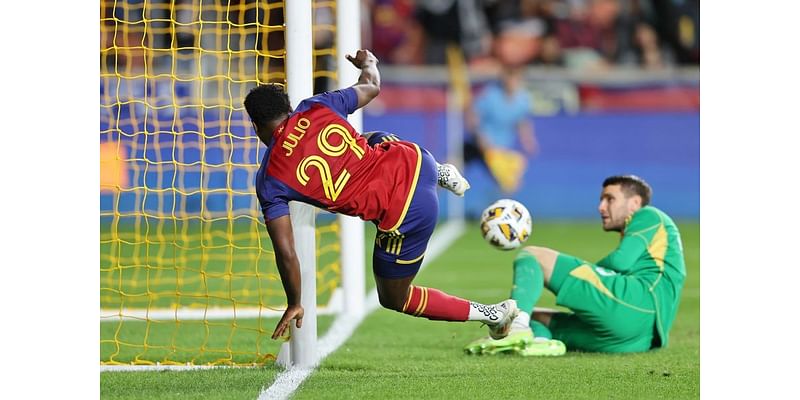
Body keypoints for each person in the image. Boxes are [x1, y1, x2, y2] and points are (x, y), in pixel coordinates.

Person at [244, 49, 519, 341]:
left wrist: (295, 302)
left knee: (393, 297)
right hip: (415, 158)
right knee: (366, 140)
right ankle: (439, 171)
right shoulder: (315, 105)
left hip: (405, 211)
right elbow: (371, 86)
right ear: (288, 109)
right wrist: (370, 63)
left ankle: (492, 314)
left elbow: (286, 252)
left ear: (256, 126)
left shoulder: (269, 179)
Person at [465, 175, 686, 356]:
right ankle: (540, 342)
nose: (601, 207)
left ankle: (516, 329)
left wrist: (582, 279)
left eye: (610, 199)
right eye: (601, 200)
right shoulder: (654, 243)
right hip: (636, 340)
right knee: (532, 315)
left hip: (636, 305)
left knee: (532, 255)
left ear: (634, 203)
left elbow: (620, 261)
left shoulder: (649, 216)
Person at [464, 63, 538, 206]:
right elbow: (473, 116)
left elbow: (522, 121)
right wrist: (480, 136)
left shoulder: (523, 100)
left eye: (515, 79)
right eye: (509, 79)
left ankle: (489, 211)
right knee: (447, 170)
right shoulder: (490, 95)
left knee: (511, 184)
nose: (512, 82)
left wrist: (528, 139)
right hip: (476, 146)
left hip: (498, 151)